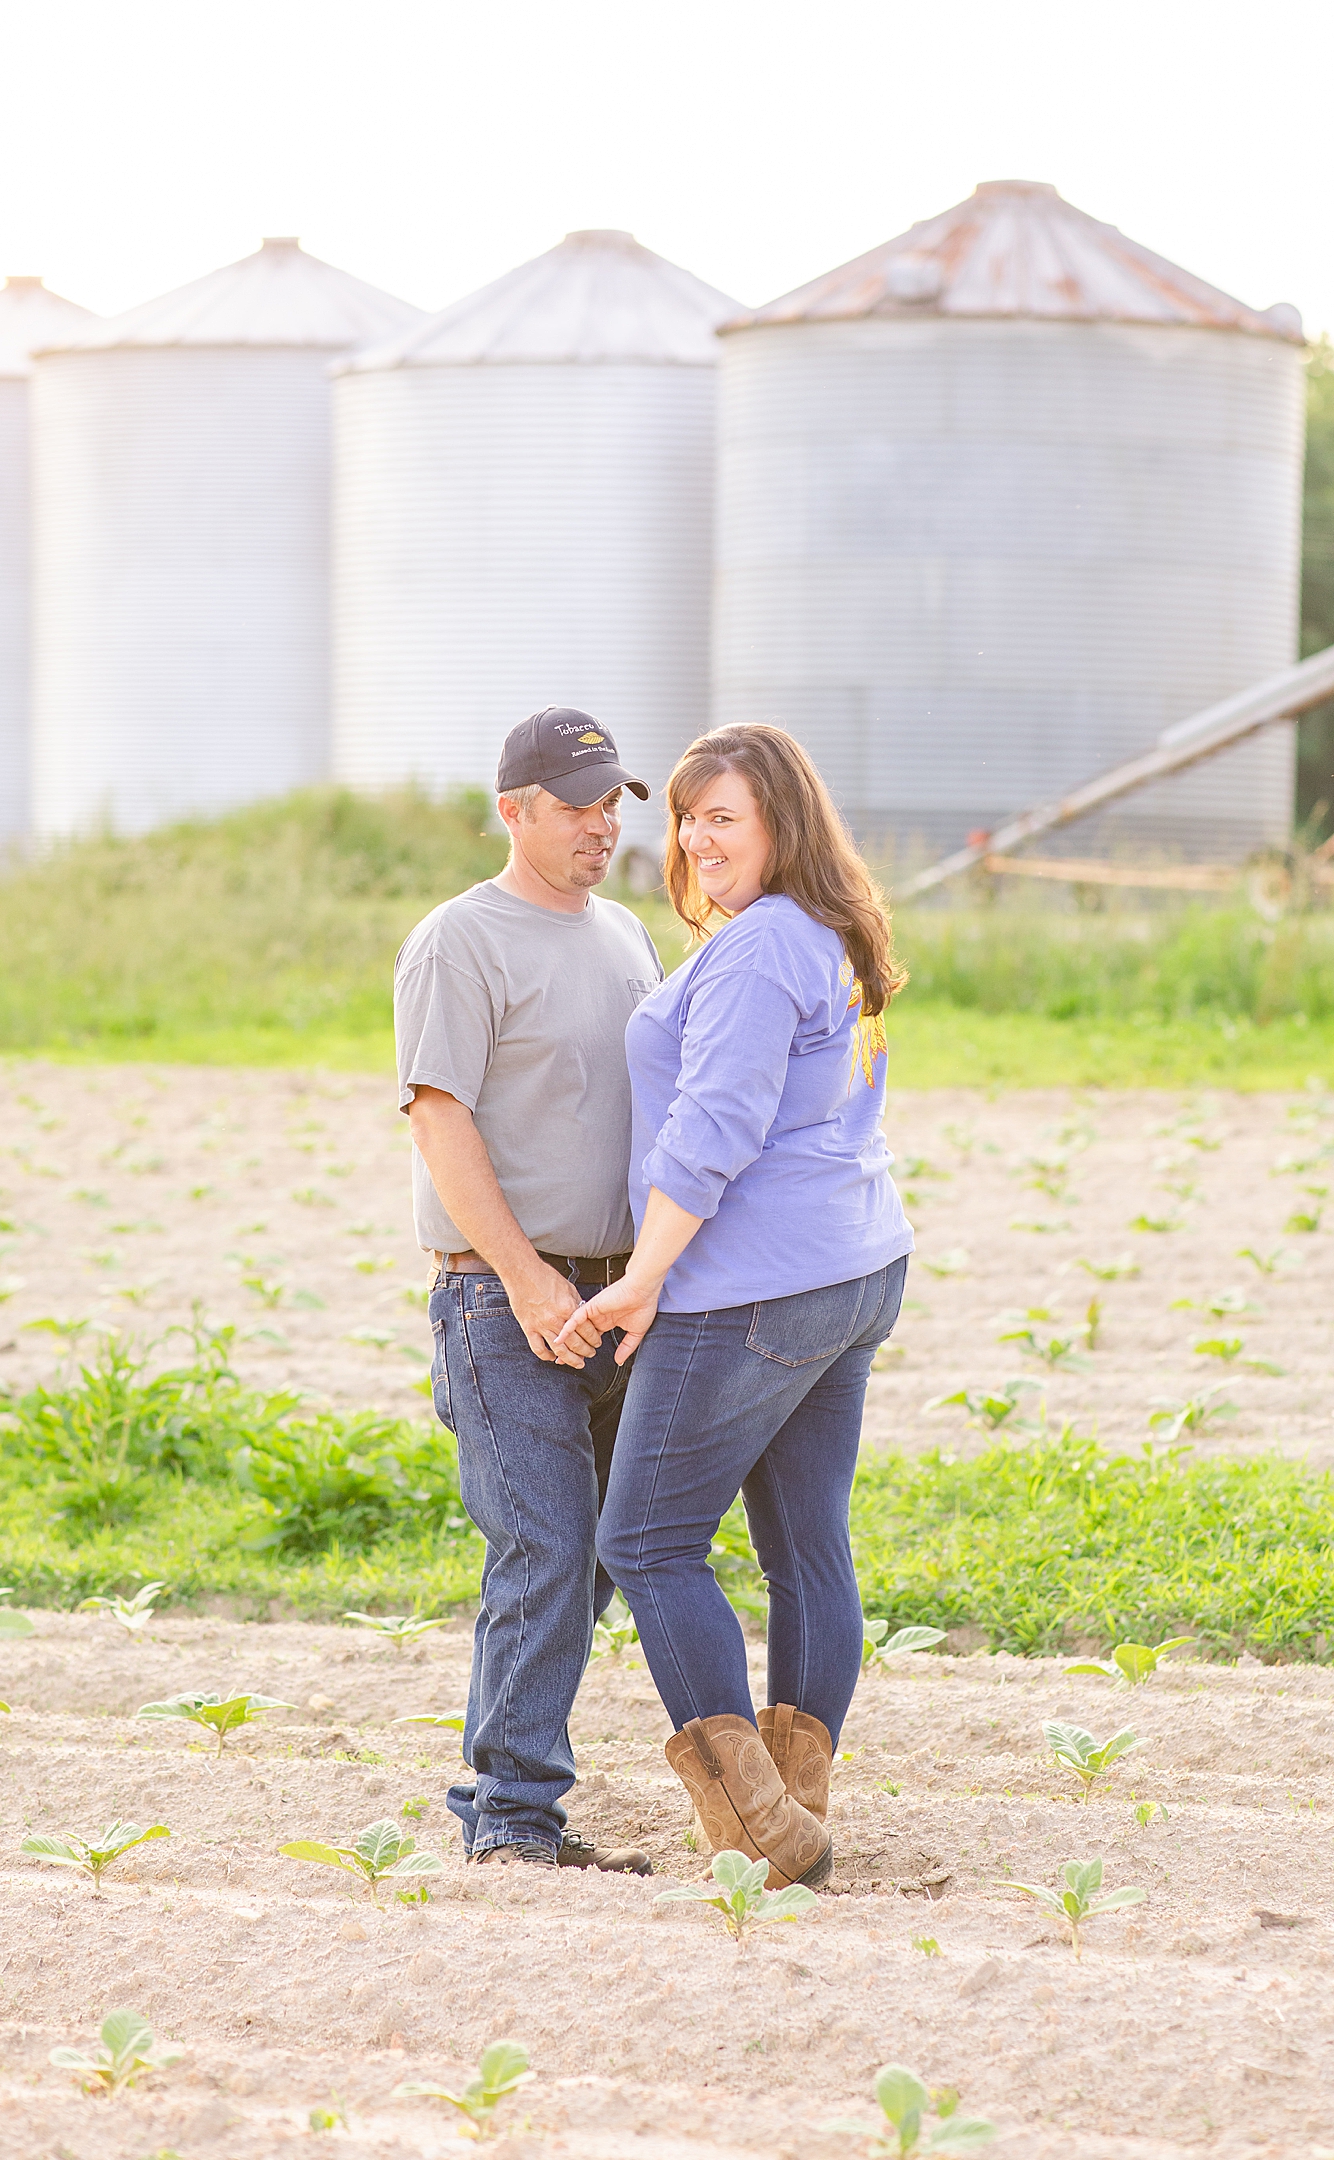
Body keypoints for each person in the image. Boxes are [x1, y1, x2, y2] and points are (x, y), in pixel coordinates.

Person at [555, 722, 912, 1890]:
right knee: (808, 1544)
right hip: (851, 1268)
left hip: (752, 1287)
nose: (699, 840)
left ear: (781, 824)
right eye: (689, 817)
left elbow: (713, 1134)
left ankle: (758, 1831)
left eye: (726, 818)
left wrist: (644, 1276)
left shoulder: (761, 949)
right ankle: (795, 1805)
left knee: (645, 1538)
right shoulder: (830, 929)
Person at [395, 705, 664, 1872]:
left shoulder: (626, 936)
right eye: (577, 806)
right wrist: (527, 1279)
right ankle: (508, 1815)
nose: (601, 826)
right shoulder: (461, 941)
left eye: (612, 804)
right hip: (503, 1302)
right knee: (546, 1546)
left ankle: (518, 1785)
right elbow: (437, 1116)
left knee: (605, 1550)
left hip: (617, 1299)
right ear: (515, 811)